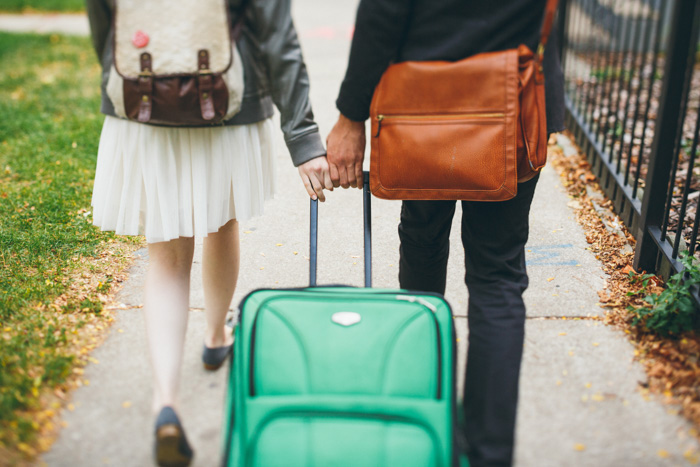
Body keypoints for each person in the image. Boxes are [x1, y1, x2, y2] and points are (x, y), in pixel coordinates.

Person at [86, 0, 333, 465]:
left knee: (166, 256)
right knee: (223, 220)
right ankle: (217, 335)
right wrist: (303, 136)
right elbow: (277, 36)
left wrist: (118, 77)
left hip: (142, 99)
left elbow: (105, 19)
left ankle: (165, 403)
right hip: (226, 99)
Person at [325, 1, 565, 466]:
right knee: (497, 279)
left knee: (422, 243)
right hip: (513, 99)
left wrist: (350, 115)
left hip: (424, 102)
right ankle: (488, 454)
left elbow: (383, 14)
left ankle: (426, 423)